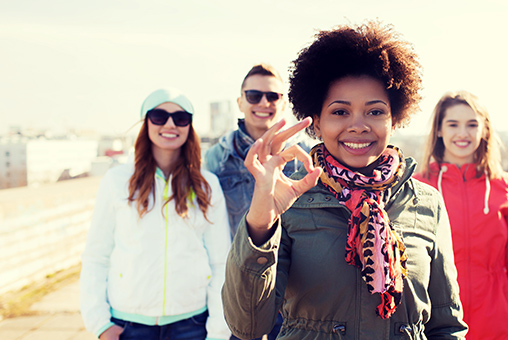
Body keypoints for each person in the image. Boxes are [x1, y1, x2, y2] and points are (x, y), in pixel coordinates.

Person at [222, 21, 468, 339]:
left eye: (375, 112)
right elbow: (247, 326)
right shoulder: (292, 198)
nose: (358, 126)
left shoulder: (426, 202)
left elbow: (446, 325)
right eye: (340, 112)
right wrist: (260, 222)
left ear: (395, 117)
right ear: (317, 122)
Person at [80, 88, 232, 340]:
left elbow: (220, 263)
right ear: (146, 123)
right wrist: (99, 324)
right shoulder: (116, 181)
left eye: (181, 118)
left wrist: (217, 332)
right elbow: (96, 255)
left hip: (192, 324)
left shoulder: (208, 184)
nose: (170, 124)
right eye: (159, 116)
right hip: (129, 324)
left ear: (190, 126)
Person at [205, 64, 305, 340]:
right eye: (253, 95)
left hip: (294, 298)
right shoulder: (215, 159)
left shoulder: (305, 156)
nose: (264, 103)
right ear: (239, 102)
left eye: (272, 97)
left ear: (283, 104)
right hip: (239, 294)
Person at [414, 91, 508, 340]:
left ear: (485, 130)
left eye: (472, 124)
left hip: (497, 323)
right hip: (436, 327)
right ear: (439, 130)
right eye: (453, 124)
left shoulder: (503, 189)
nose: (463, 133)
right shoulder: (415, 189)